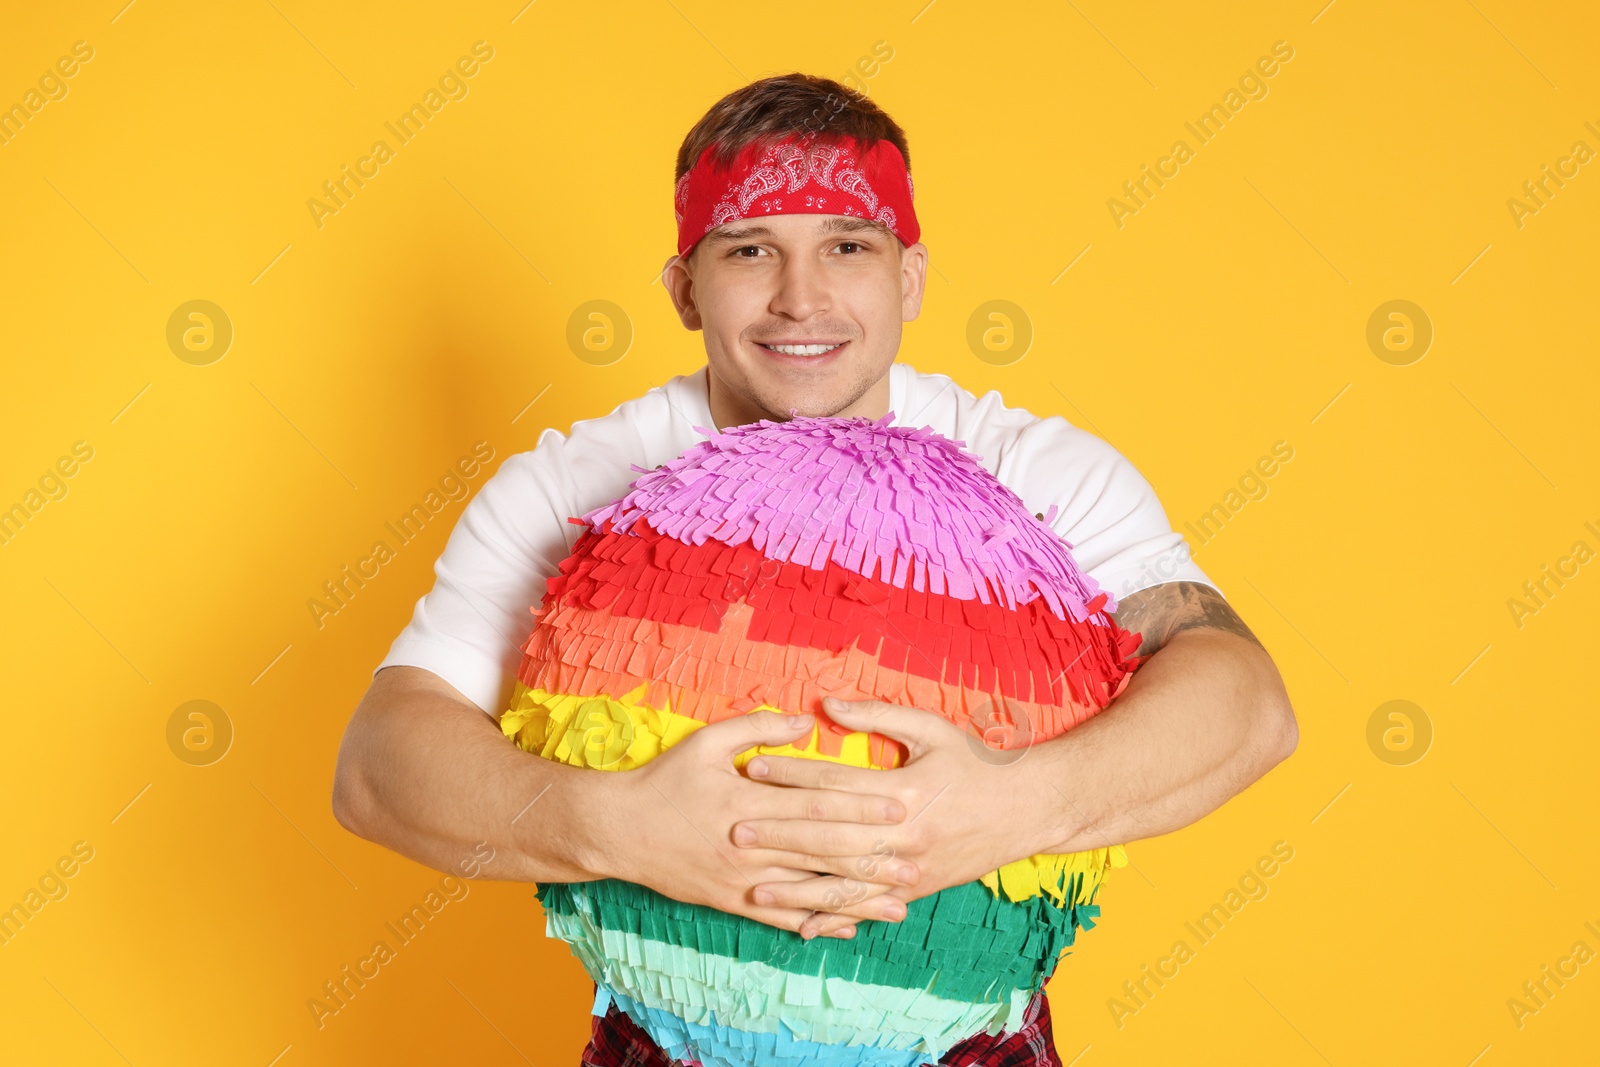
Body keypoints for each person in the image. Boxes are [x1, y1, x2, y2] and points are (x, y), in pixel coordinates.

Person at [332, 72, 1298, 1065]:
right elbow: (378, 767)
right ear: (683, 287)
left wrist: (1013, 805)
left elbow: (1246, 704)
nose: (802, 297)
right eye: (750, 250)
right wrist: (611, 824)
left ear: (909, 276)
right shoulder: (573, 484)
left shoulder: (1038, 476)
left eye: (848, 246)